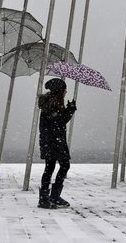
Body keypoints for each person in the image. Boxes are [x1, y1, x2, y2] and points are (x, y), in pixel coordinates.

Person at [37, 77, 76, 209]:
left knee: (52, 167)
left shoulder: (54, 102)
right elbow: (59, 121)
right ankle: (48, 198)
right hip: (52, 141)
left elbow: (58, 120)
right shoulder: (51, 103)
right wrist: (70, 110)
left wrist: (68, 110)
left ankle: (50, 197)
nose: (65, 92)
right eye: (64, 90)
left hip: (54, 141)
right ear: (59, 90)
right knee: (59, 166)